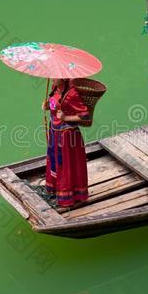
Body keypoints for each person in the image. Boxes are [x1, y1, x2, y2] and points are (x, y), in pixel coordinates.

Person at [42, 79, 90, 207]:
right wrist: (47, 107)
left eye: (56, 76)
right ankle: (55, 188)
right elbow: (55, 108)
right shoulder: (54, 87)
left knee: (65, 164)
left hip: (67, 136)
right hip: (54, 131)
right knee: (54, 160)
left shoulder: (72, 94)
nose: (53, 78)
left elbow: (85, 115)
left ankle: (68, 196)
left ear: (63, 77)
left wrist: (65, 118)